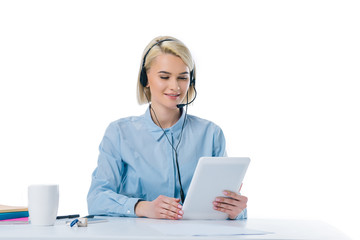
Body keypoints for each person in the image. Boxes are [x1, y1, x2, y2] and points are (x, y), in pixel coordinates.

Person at [87, 36, 248, 220]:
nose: (175, 87)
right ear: (145, 78)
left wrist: (236, 211)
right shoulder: (119, 133)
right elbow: (96, 199)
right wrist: (142, 207)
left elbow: (230, 208)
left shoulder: (211, 134)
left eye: (183, 77)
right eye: (164, 77)